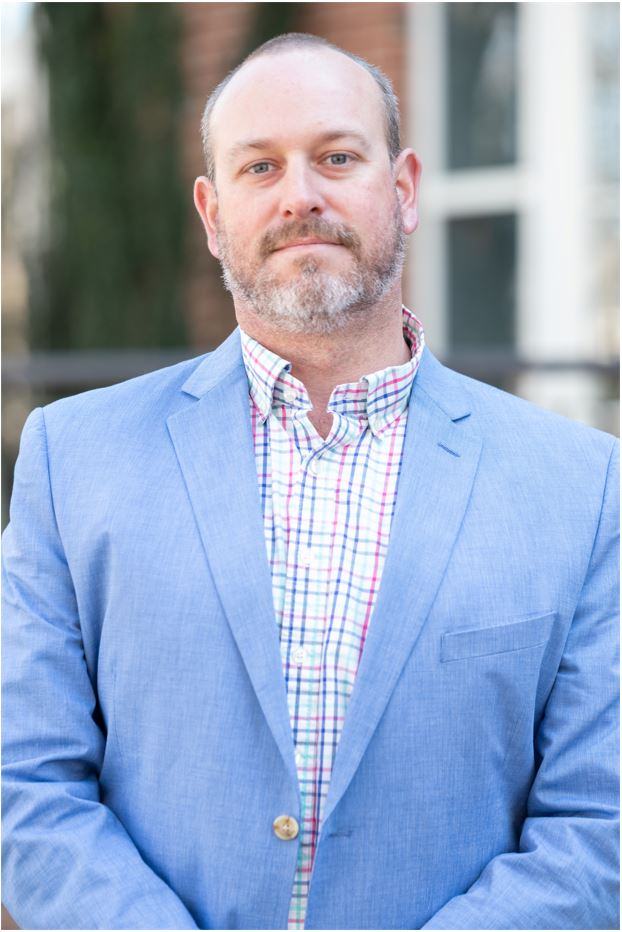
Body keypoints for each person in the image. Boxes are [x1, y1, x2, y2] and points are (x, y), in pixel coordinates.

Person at [2, 31, 618, 932]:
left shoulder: (581, 487)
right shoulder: (72, 459)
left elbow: (598, 829)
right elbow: (25, 788)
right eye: (260, 168)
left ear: (402, 190)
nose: (301, 196)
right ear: (212, 214)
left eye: (336, 156)